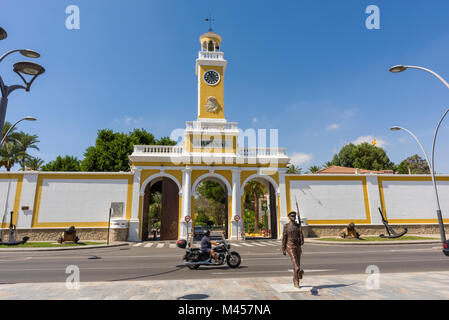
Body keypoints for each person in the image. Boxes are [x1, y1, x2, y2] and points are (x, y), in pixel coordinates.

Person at [282, 211, 304, 288]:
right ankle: (299, 273)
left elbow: (302, 241)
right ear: (289, 217)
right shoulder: (286, 226)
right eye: (292, 216)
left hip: (297, 247)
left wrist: (301, 235)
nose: (293, 217)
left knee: (296, 265)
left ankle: (296, 281)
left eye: (294, 216)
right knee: (296, 266)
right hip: (290, 246)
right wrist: (283, 248)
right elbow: (284, 238)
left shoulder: (298, 226)